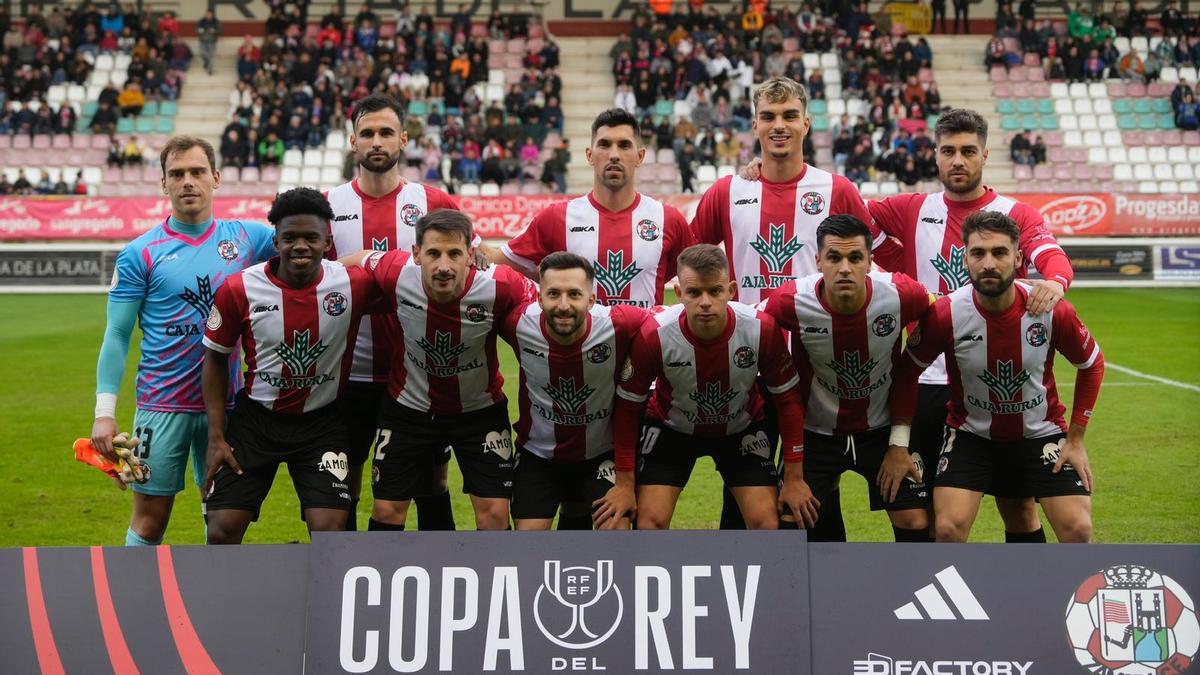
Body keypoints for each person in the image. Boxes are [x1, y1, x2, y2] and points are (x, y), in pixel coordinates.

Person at [697, 76, 898, 534]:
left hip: (818, 368)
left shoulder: (838, 190)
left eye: (789, 116)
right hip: (747, 364)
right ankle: (745, 591)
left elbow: (875, 263)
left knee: (816, 492)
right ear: (754, 125)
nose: (779, 125)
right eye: (768, 117)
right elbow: (693, 262)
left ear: (806, 123)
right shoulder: (726, 193)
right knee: (745, 490)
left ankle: (824, 590)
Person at [867, 108, 1076, 543]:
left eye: (967, 151)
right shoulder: (911, 208)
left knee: (1017, 504)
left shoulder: (1014, 213)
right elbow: (842, 207)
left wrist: (1054, 282)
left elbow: (1050, 256)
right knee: (921, 511)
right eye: (948, 151)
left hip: (989, 382)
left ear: (985, 153)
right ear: (935, 156)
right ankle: (928, 602)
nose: (957, 160)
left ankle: (1022, 598)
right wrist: (763, 169)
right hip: (925, 381)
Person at [89, 136, 275, 547]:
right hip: (161, 407)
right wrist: (104, 413)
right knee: (150, 522)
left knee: (224, 523)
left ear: (216, 178)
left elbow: (308, 246)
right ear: (163, 184)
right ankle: (129, 602)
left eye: (196, 172)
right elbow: (118, 335)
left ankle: (216, 605)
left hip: (226, 408)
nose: (188, 182)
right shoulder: (140, 253)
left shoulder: (250, 240)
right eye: (177, 174)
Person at [888, 211, 1103, 543]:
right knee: (948, 528)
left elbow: (1092, 364)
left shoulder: (1050, 310)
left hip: (1040, 434)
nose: (988, 263)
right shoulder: (946, 313)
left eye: (999, 253)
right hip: (971, 436)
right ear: (965, 258)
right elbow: (906, 373)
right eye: (978, 253)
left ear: (1018, 258)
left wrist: (1076, 439)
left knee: (1077, 529)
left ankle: (1047, 594)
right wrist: (899, 444)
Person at [201, 188, 383, 543]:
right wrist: (216, 436)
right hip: (256, 422)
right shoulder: (239, 289)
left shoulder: (352, 284)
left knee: (332, 532)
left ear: (328, 241)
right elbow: (215, 358)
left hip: (323, 423)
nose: (301, 246)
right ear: (276, 240)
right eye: (290, 238)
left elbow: (405, 284)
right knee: (221, 530)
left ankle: (318, 597)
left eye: (311, 238)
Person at [345, 210, 537, 532]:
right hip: (408, 409)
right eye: (433, 253)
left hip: (479, 411)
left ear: (471, 256)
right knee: (387, 510)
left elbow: (546, 308)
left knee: (493, 516)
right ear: (416, 254)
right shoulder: (395, 270)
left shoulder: (502, 285)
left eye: (454, 254)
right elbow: (358, 259)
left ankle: (491, 580)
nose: (444, 266)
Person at [325, 94, 462, 532]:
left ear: (404, 139)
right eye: (367, 133)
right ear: (353, 142)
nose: (377, 141)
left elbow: (462, 277)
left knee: (430, 481)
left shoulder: (435, 202)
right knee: (341, 483)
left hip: (419, 375)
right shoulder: (328, 207)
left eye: (386, 132)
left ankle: (439, 582)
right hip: (350, 377)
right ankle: (344, 582)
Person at [613, 244, 818, 530]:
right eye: (695, 293)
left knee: (766, 523)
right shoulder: (655, 336)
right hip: (672, 430)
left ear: (731, 290)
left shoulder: (760, 329)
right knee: (650, 522)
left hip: (740, 429)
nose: (705, 302)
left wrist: (795, 479)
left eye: (715, 291)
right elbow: (626, 409)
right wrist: (624, 485)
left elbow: (788, 402)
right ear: (679, 293)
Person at [761, 215, 934, 541]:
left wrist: (899, 446)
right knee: (793, 516)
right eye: (834, 258)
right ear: (818, 261)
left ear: (870, 262)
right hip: (815, 432)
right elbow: (748, 328)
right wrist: (794, 476)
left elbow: (940, 317)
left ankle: (912, 591)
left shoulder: (903, 295)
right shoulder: (790, 301)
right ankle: (822, 587)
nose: (844, 268)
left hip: (881, 432)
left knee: (915, 519)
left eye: (855, 258)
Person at [500, 252, 651, 530]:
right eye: (554, 294)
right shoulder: (517, 324)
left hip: (599, 455)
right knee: (528, 543)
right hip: (538, 456)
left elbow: (669, 322)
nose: (564, 305)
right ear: (539, 297)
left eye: (574, 294)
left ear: (591, 300)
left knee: (616, 528)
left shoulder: (619, 324)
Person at [490, 108, 692, 308]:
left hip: (644, 341)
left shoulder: (668, 219)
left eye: (624, 145)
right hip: (580, 341)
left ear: (640, 156)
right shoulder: (557, 217)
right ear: (590, 155)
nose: (614, 155)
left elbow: (692, 278)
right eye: (604, 145)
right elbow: (497, 263)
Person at [197, 9, 221, 75]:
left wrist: (215, 31)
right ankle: (206, 61)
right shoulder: (201, 21)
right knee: (201, 53)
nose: (208, 15)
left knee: (212, 56)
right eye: (207, 14)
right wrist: (199, 31)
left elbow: (220, 30)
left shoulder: (216, 21)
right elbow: (197, 29)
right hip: (203, 40)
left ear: (212, 15)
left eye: (210, 14)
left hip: (212, 41)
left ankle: (210, 70)